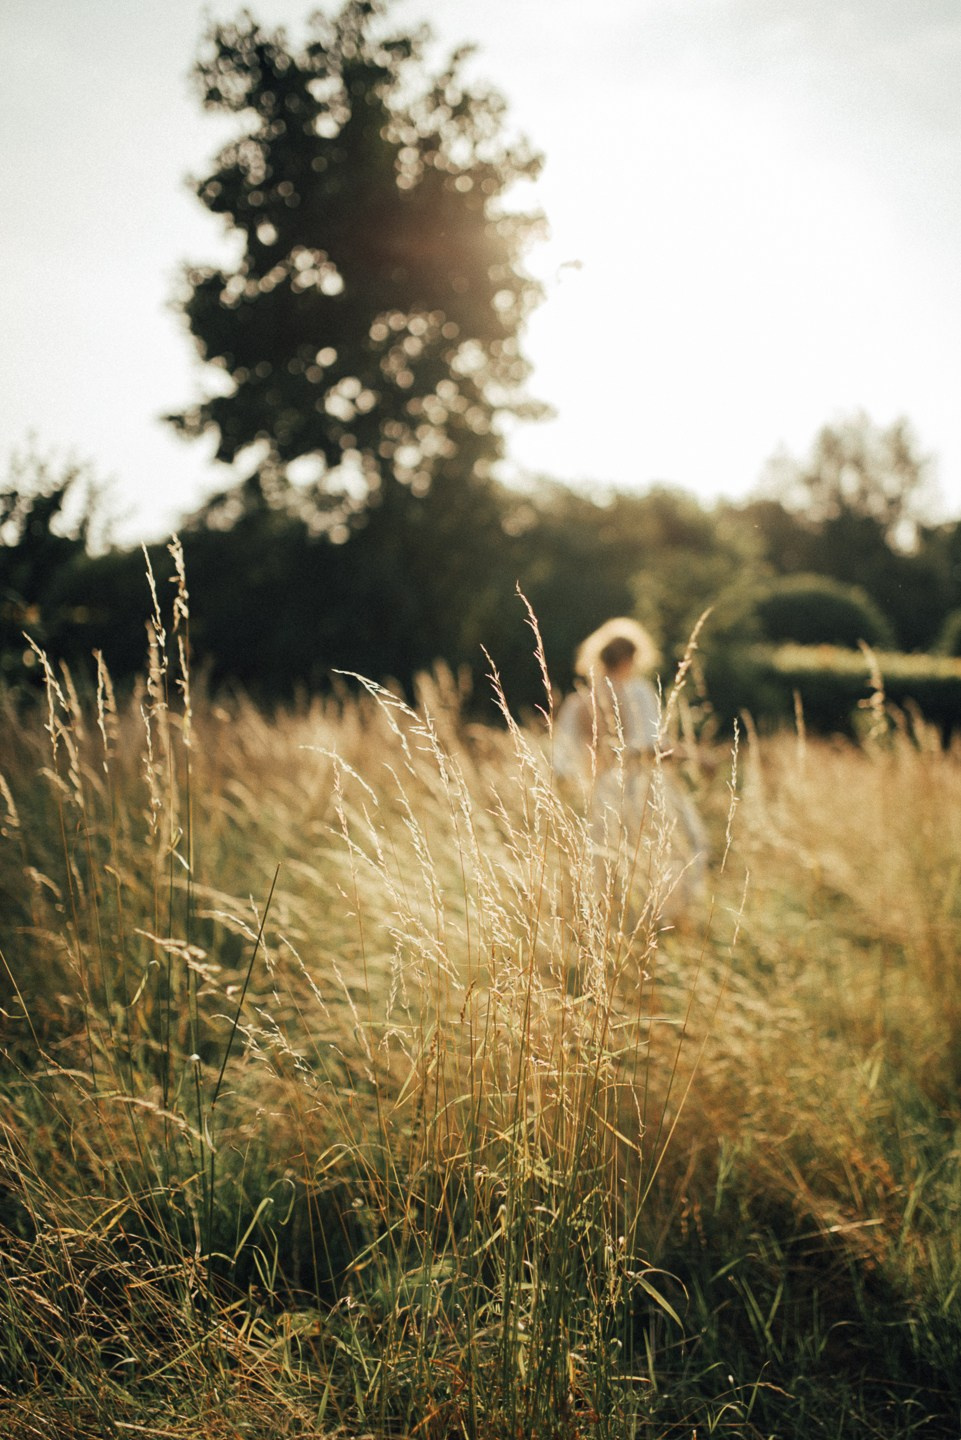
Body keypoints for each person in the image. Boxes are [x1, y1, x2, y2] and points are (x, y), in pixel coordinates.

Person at [554, 617, 707, 921]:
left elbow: (562, 764)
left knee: (609, 863)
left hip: (603, 792)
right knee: (682, 849)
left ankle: (613, 925)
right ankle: (663, 922)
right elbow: (654, 747)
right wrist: (697, 757)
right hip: (643, 787)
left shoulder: (577, 703)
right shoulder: (638, 692)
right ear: (630, 658)